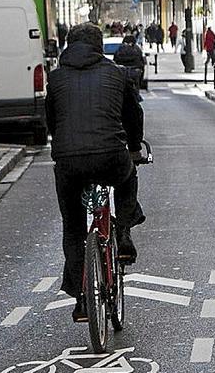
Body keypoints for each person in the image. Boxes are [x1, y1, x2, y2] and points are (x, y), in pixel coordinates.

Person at [45, 23, 145, 322]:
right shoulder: (117, 74)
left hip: (68, 161)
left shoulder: (56, 77)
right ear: (99, 46)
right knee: (127, 178)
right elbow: (133, 115)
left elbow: (51, 120)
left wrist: (63, 144)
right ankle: (124, 233)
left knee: (73, 228)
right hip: (111, 157)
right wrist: (135, 147)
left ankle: (81, 299)